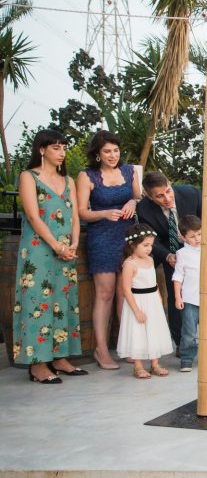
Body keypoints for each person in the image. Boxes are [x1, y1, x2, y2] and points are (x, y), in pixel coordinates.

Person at [13, 129, 87, 383]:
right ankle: (38, 364)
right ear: (42, 149)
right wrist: (57, 246)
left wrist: (73, 243)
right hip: (39, 250)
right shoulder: (28, 177)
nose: (62, 152)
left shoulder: (68, 180)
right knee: (38, 303)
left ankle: (60, 358)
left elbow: (75, 216)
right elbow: (33, 216)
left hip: (65, 252)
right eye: (56, 147)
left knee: (63, 302)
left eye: (64, 148)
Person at [137, 172, 207, 354]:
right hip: (172, 254)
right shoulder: (144, 209)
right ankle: (182, 344)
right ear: (149, 196)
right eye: (160, 196)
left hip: (200, 250)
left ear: (170, 184)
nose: (167, 198)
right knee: (176, 296)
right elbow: (152, 239)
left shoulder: (191, 194)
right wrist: (167, 256)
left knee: (206, 293)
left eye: (168, 191)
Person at [76, 130, 140, 370]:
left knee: (125, 292)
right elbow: (81, 212)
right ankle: (101, 350)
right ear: (97, 154)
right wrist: (103, 213)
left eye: (116, 150)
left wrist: (133, 201)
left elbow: (139, 197)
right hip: (102, 237)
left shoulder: (129, 171)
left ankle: (127, 346)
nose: (113, 155)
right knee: (105, 293)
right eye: (107, 151)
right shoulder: (87, 175)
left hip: (128, 237)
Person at [116, 224, 174, 378]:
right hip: (138, 302)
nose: (149, 249)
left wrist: (159, 298)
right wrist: (136, 310)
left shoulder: (150, 260)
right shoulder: (129, 264)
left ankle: (155, 364)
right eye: (145, 245)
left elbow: (154, 283)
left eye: (151, 245)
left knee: (153, 330)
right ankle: (138, 366)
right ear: (132, 244)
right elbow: (126, 289)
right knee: (138, 332)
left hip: (152, 301)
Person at [172, 215, 202, 372]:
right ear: (183, 237)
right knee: (189, 331)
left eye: (199, 234)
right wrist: (178, 297)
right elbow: (178, 276)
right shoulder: (182, 253)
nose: (197, 239)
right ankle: (187, 358)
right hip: (190, 298)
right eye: (192, 236)